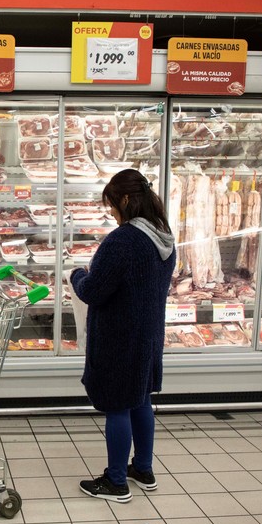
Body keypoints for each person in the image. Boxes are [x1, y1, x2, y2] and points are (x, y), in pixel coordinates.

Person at [69, 169, 176, 503]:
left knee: (117, 405)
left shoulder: (123, 240)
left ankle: (116, 482)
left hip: (119, 336)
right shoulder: (163, 234)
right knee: (140, 399)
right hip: (148, 334)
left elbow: (93, 291)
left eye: (112, 205)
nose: (112, 212)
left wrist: (76, 275)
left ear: (126, 200)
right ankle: (143, 469)